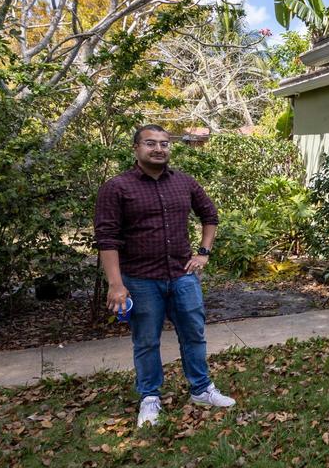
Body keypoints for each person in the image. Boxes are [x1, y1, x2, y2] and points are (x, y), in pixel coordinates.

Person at [94, 124, 236, 427]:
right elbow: (107, 238)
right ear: (136, 149)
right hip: (141, 279)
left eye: (164, 144)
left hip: (182, 276)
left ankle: (201, 389)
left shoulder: (184, 182)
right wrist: (116, 284)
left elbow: (210, 216)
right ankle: (149, 398)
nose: (159, 149)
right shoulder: (117, 187)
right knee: (146, 341)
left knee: (194, 334)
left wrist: (203, 253)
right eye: (150, 143)